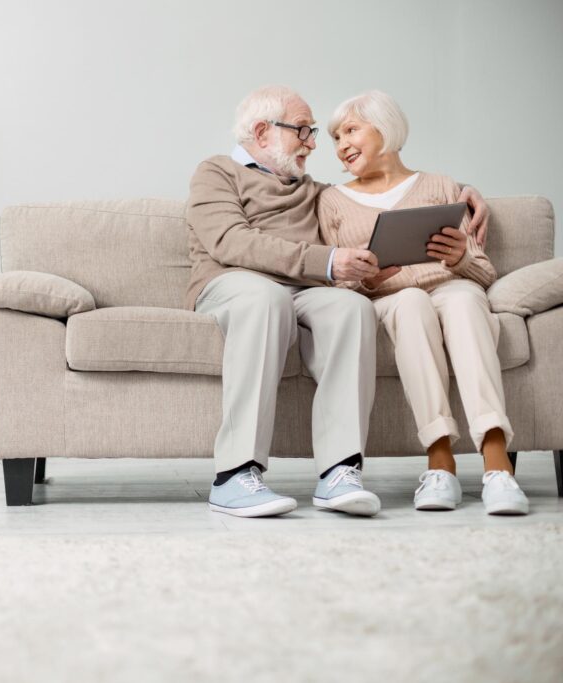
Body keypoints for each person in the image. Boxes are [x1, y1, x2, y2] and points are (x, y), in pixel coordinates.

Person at [186, 85, 489, 518]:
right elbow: (230, 242)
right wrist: (328, 261)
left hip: (302, 291)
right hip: (233, 285)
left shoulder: (311, 190)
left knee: (352, 308)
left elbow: (373, 190)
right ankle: (234, 475)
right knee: (266, 299)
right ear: (262, 131)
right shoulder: (216, 172)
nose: (312, 144)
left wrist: (465, 191)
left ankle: (339, 472)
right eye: (304, 131)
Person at [317, 89, 527, 515]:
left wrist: (461, 257)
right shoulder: (332, 201)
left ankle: (497, 462)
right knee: (412, 302)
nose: (341, 145)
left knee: (466, 303)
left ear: (386, 129)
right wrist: (365, 279)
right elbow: (332, 284)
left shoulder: (442, 186)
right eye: (335, 137)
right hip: (389, 298)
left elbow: (484, 274)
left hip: (452, 287)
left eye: (351, 130)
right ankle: (440, 463)